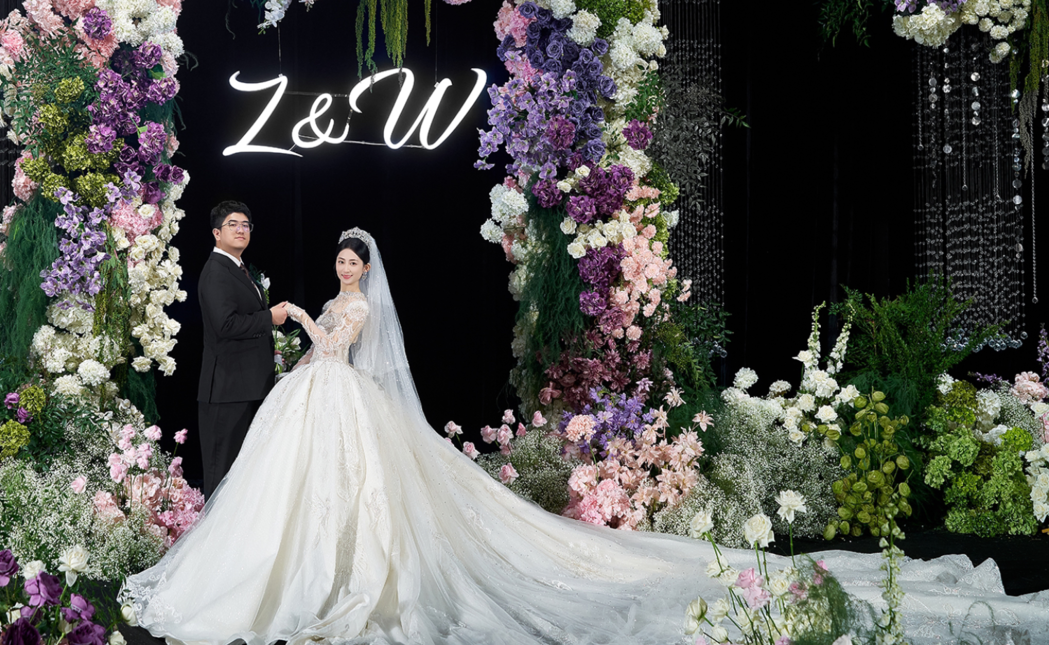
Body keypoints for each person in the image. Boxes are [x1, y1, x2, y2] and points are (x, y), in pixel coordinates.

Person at [128, 228, 1049, 645]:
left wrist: (302, 317)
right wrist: (303, 320)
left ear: (366, 268)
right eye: (339, 257)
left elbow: (336, 347)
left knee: (365, 501)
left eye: (351, 258)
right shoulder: (337, 295)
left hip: (336, 396)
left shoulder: (358, 307)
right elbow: (319, 346)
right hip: (315, 400)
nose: (343, 265)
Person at [196, 200, 288, 497]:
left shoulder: (238, 269)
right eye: (232, 225)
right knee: (222, 476)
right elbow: (225, 325)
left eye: (245, 225)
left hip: (247, 387)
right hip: (227, 390)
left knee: (243, 480)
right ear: (216, 233)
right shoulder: (216, 271)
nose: (240, 230)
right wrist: (269, 317)